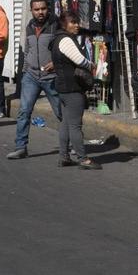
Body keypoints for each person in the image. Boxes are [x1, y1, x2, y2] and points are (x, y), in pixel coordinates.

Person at [7, 0, 62, 161]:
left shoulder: (56, 25)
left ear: (48, 9)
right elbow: (28, 50)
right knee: (24, 111)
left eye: (43, 8)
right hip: (31, 75)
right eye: (36, 9)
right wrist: (24, 73)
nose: (40, 12)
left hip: (51, 76)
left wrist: (56, 63)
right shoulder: (30, 26)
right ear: (31, 10)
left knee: (61, 111)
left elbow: (65, 48)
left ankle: (72, 145)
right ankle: (20, 147)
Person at [51, 11, 102, 170]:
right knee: (75, 125)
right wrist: (91, 65)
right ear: (64, 25)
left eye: (77, 22)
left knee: (66, 123)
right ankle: (83, 159)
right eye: (72, 22)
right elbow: (79, 60)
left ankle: (64, 157)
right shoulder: (65, 39)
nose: (77, 25)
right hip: (72, 88)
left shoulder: (57, 39)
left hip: (63, 88)